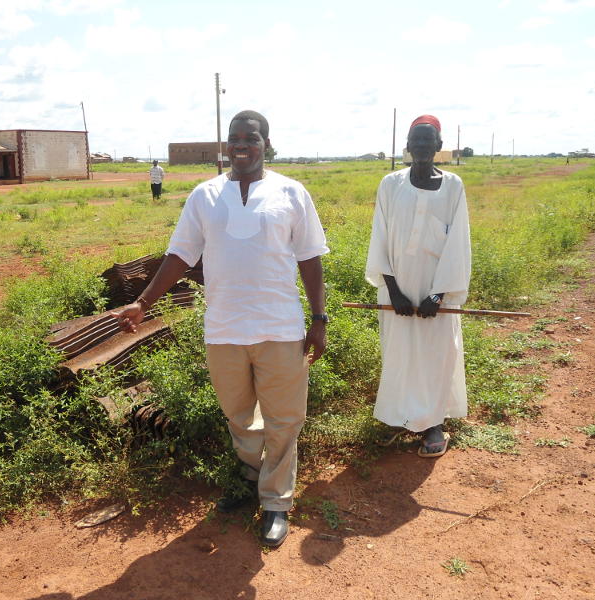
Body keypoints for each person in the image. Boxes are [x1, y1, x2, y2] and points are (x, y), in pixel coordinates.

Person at [114, 110, 329, 547]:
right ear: (226, 145)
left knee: (285, 418)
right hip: (225, 329)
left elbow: (310, 259)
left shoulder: (291, 192)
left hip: (280, 327)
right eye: (234, 138)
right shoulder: (204, 196)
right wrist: (143, 302)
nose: (241, 145)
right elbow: (179, 255)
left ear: (267, 144)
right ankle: (250, 476)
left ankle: (275, 502)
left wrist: (319, 320)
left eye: (250, 138)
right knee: (238, 415)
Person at [364, 114, 471, 457]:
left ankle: (433, 423)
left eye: (429, 142)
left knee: (437, 353)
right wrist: (393, 290)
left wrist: (439, 294)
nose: (422, 147)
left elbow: (458, 242)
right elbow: (380, 235)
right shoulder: (390, 184)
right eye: (416, 141)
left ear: (439, 147)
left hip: (437, 290)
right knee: (400, 352)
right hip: (397, 287)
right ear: (407, 146)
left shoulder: (453, 185)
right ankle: (401, 416)